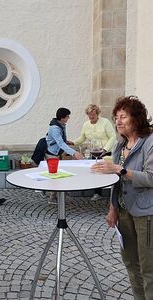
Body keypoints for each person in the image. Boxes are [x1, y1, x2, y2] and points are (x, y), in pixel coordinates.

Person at [92, 95, 153, 300]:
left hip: (146, 213)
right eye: (116, 117)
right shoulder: (120, 145)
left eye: (123, 116)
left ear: (136, 118)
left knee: (148, 266)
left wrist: (120, 169)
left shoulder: (149, 143)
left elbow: (151, 178)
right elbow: (116, 182)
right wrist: (112, 208)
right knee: (130, 263)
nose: (117, 121)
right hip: (124, 212)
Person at [73, 104, 116, 200]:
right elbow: (82, 138)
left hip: (107, 151)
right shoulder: (86, 124)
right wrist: (72, 142)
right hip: (95, 152)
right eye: (89, 114)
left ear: (98, 113)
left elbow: (113, 137)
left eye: (93, 114)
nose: (91, 116)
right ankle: (97, 193)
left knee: (108, 172)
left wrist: (105, 149)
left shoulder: (105, 122)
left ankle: (113, 193)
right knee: (97, 171)